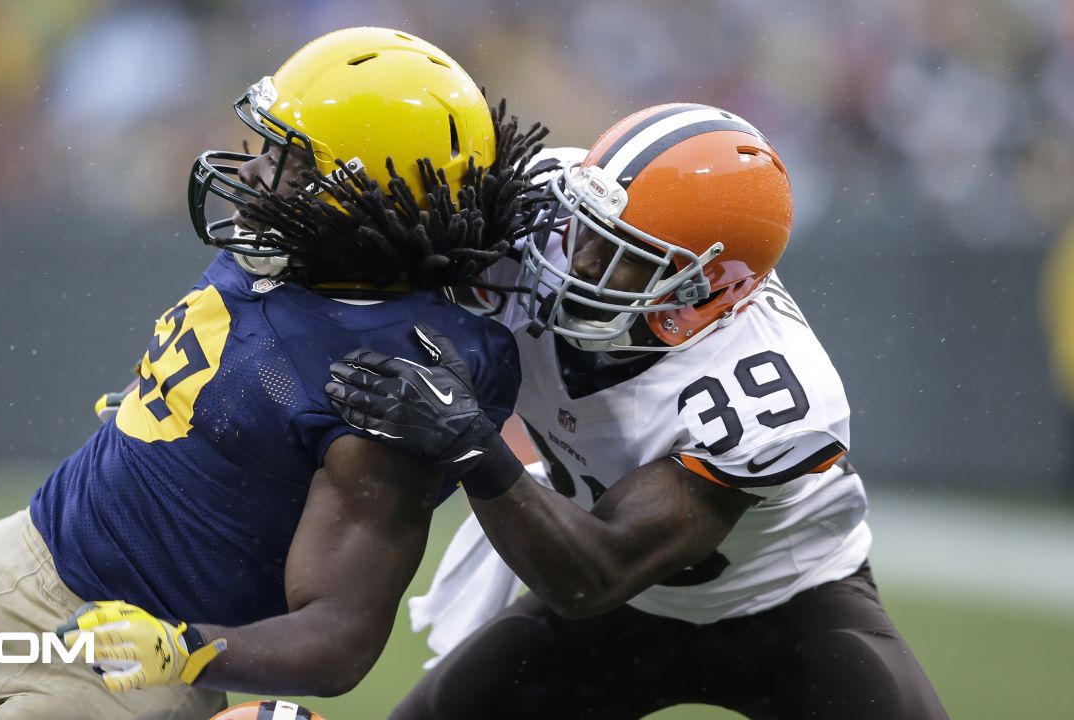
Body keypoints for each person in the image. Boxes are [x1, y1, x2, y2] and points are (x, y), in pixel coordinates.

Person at [0, 26, 545, 719]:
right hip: (24, 553)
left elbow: (340, 636)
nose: (253, 171)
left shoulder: (389, 384)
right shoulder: (287, 254)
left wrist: (186, 650)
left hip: (138, 660)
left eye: (286, 159)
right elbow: (260, 375)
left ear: (362, 198)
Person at [327, 103, 949, 719]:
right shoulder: (541, 207)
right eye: (588, 230)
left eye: (626, 254)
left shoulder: (764, 389)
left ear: (703, 290)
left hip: (791, 606)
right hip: (616, 616)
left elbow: (591, 578)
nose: (583, 262)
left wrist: (468, 444)